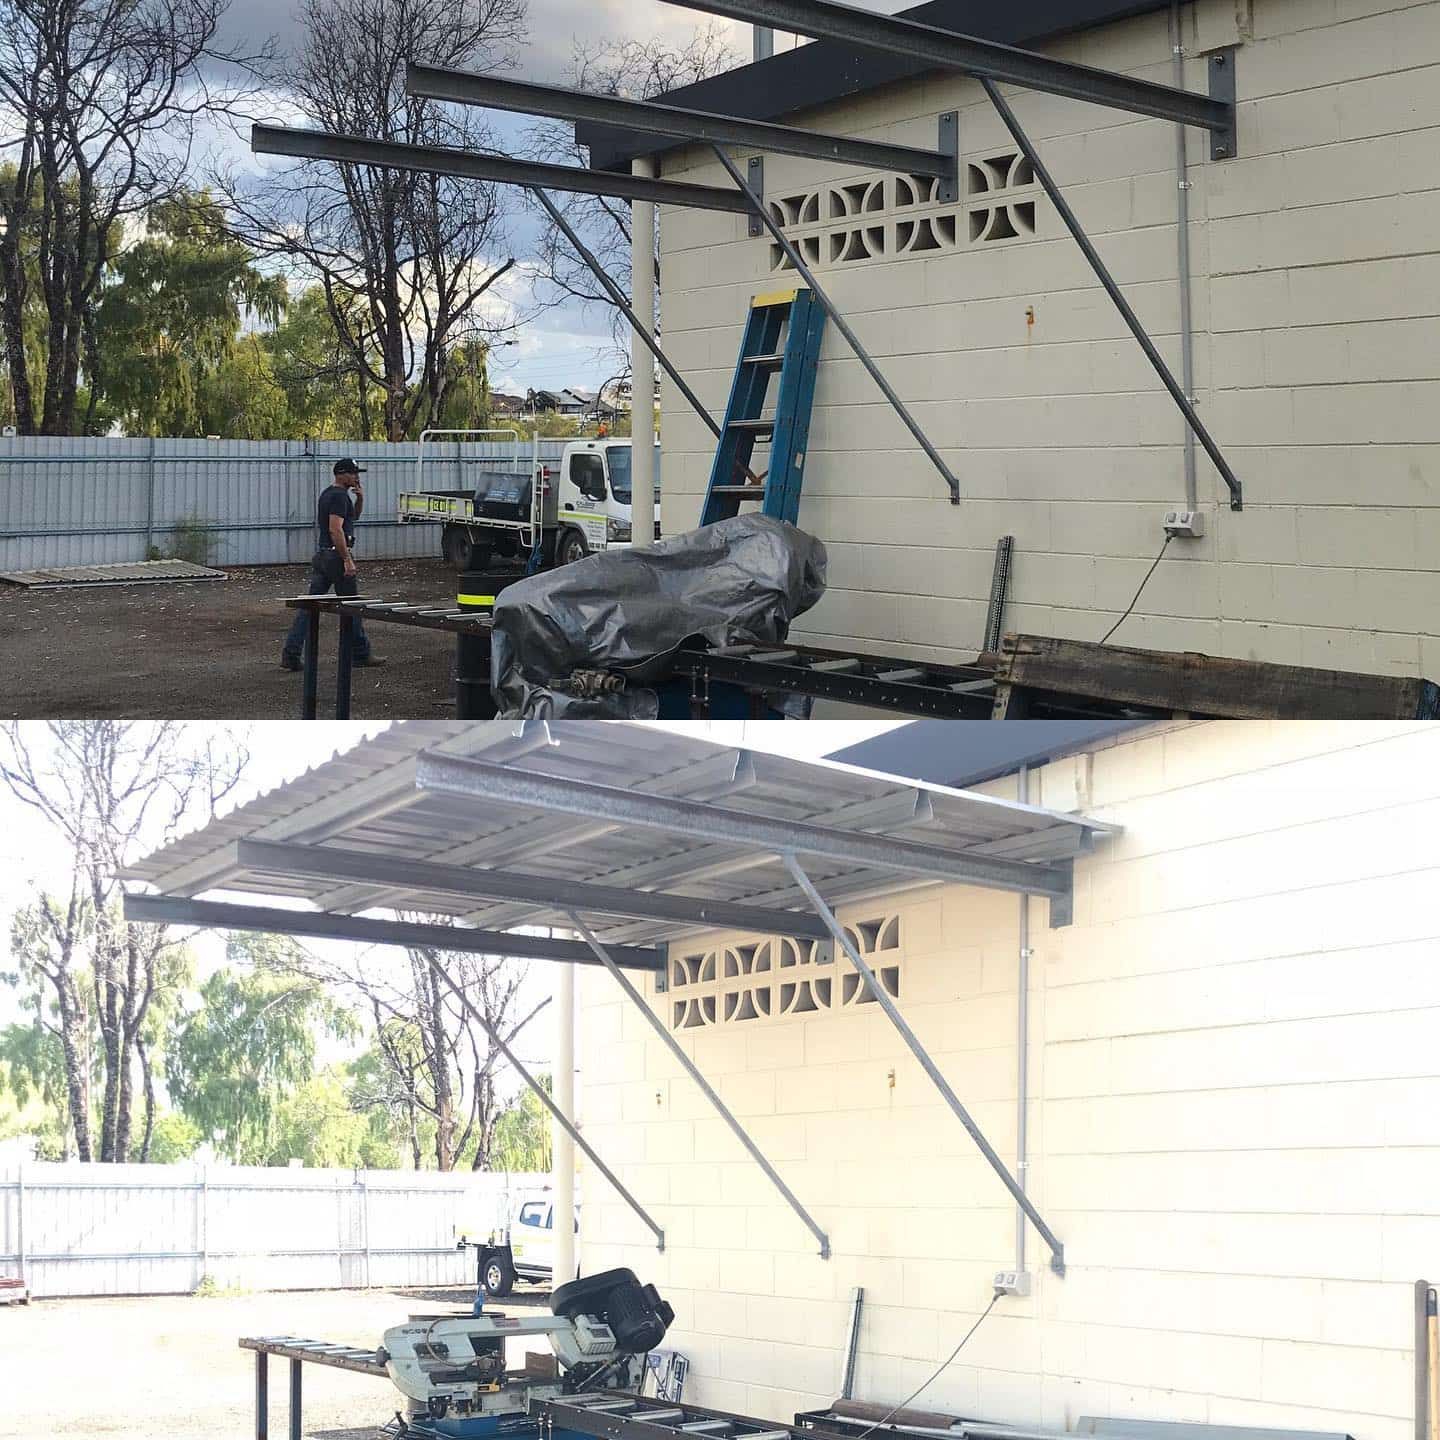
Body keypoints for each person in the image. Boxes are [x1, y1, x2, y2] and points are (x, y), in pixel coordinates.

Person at [280, 458, 385, 671]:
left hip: (323, 556)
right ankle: (361, 653)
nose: (357, 477)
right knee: (352, 606)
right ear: (341, 474)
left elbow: (350, 518)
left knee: (310, 607)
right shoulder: (338, 496)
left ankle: (291, 653)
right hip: (335, 557)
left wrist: (360, 500)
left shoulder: (330, 494)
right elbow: (336, 529)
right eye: (353, 473)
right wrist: (347, 559)